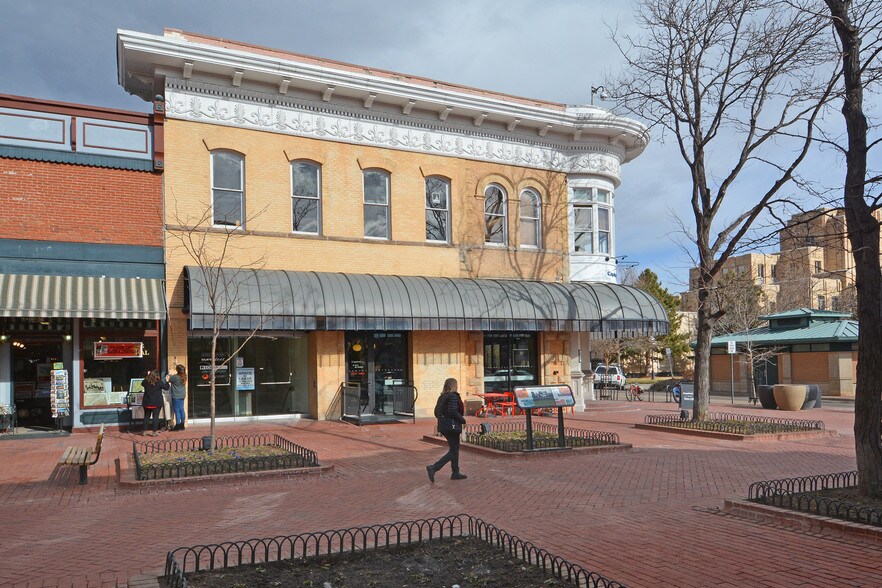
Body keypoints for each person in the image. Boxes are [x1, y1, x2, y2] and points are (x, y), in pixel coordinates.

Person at [426, 378, 467, 482]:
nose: (457, 387)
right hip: (452, 427)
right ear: (453, 385)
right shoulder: (453, 396)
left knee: (454, 448)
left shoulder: (441, 397)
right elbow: (452, 411)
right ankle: (434, 467)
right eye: (456, 385)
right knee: (453, 451)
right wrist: (463, 420)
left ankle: (455, 472)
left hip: (444, 426)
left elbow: (436, 412)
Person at [141, 369, 170, 436]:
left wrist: (147, 376)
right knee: (155, 417)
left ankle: (144, 431)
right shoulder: (159, 382)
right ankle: (154, 432)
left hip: (147, 402)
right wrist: (167, 381)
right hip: (156, 402)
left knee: (146, 417)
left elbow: (142, 383)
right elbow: (166, 388)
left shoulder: (146, 382)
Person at [169, 364, 187, 431]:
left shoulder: (175, 377)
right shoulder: (185, 376)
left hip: (176, 395)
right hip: (182, 395)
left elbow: (169, 380)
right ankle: (182, 425)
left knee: (177, 410)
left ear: (177, 370)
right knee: (181, 409)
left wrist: (170, 374)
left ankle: (178, 425)